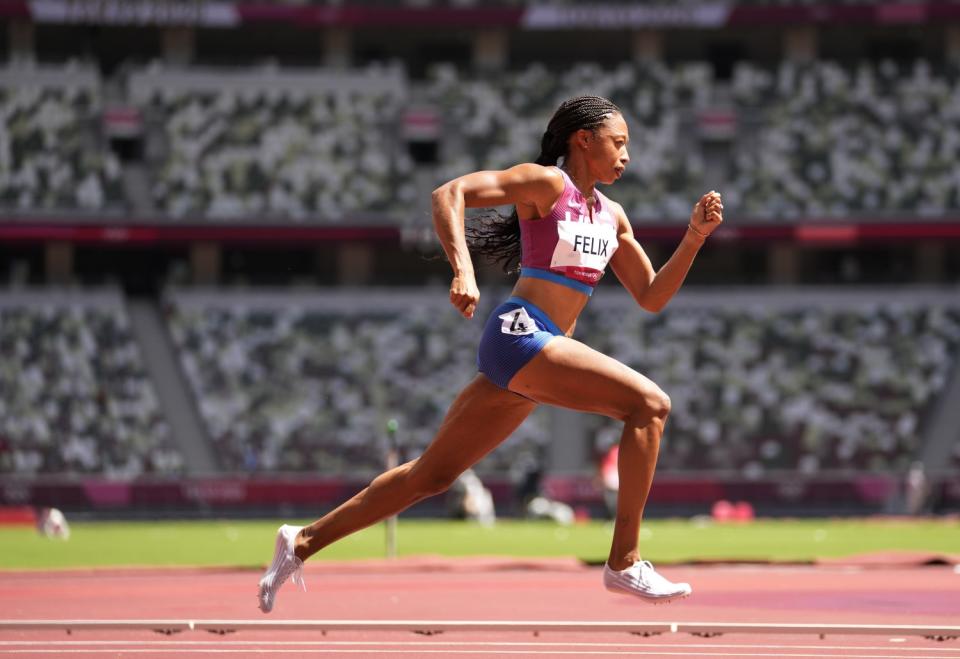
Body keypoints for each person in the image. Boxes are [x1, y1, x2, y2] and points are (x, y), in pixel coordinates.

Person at [257, 95, 723, 613]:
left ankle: (299, 541)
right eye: (619, 143)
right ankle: (624, 561)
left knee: (430, 476)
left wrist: (694, 238)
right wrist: (463, 269)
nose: (627, 155)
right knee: (649, 405)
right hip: (520, 335)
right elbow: (448, 193)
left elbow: (652, 296)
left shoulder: (613, 217)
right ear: (583, 140)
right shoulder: (547, 184)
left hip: (543, 349)